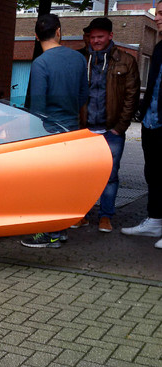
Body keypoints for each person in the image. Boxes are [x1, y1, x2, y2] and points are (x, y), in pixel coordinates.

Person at [21, 14, 89, 248]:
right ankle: (60, 231)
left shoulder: (41, 63)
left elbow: (38, 105)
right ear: (59, 32)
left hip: (48, 132)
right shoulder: (79, 59)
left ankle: (46, 235)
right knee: (62, 186)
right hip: (70, 130)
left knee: (44, 186)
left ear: (36, 36)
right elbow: (83, 97)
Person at [71, 17, 140, 233]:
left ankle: (105, 216)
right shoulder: (80, 59)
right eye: (92, 37)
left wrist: (120, 127)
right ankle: (81, 215)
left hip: (112, 130)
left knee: (110, 175)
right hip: (84, 129)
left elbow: (132, 96)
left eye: (100, 36)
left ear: (110, 36)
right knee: (82, 174)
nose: (95, 41)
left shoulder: (126, 61)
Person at [121, 0, 162, 249]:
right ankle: (155, 220)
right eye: (157, 13)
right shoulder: (159, 48)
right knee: (154, 174)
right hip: (151, 122)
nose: (157, 18)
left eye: (161, 13)